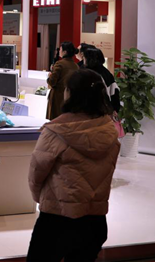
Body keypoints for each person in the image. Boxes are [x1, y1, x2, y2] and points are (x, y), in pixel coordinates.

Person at [27, 69, 120, 261]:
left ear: (70, 93)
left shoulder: (56, 131)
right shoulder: (109, 130)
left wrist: (41, 199)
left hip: (57, 218)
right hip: (95, 220)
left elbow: (36, 173)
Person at [46, 41, 79, 121]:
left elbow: (52, 82)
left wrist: (49, 76)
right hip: (70, 97)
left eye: (60, 49)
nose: (59, 51)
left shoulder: (59, 64)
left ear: (65, 52)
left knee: (54, 120)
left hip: (58, 97)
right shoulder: (76, 66)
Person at [84, 47, 121, 113]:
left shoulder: (86, 73)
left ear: (89, 59)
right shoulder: (106, 72)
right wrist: (115, 109)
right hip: (105, 109)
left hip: (90, 110)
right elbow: (115, 92)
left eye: (84, 57)